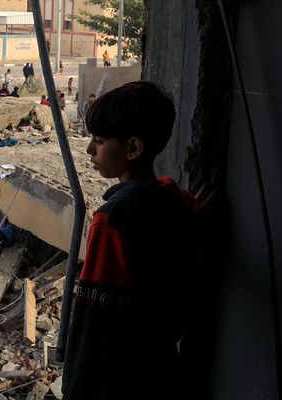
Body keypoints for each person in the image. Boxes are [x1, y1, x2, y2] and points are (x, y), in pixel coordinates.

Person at [63, 81, 200, 399]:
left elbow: (93, 323)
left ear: (133, 148)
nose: (89, 150)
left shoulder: (112, 220)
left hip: (118, 380)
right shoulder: (180, 204)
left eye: (98, 141)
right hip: (163, 369)